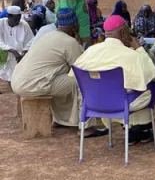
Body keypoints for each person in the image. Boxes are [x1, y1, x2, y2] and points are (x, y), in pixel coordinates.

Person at [11, 9, 105, 137]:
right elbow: (81, 67)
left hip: (18, 81)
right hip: (33, 84)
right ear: (74, 25)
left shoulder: (48, 35)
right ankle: (86, 127)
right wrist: (77, 43)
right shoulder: (69, 42)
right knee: (82, 80)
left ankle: (61, 120)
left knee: (63, 77)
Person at [73, 15, 155, 144]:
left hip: (95, 103)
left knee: (130, 89)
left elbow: (76, 73)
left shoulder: (90, 51)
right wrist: (139, 48)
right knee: (152, 88)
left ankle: (131, 129)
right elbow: (152, 73)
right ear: (124, 32)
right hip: (122, 104)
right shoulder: (132, 55)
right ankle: (140, 130)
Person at [0, 6, 34, 82]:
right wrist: (12, 50)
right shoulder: (1, 23)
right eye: (16, 19)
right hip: (4, 53)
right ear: (9, 16)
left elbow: (31, 40)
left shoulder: (24, 25)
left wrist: (24, 52)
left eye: (19, 18)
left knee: (16, 78)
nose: (18, 21)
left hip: (19, 54)